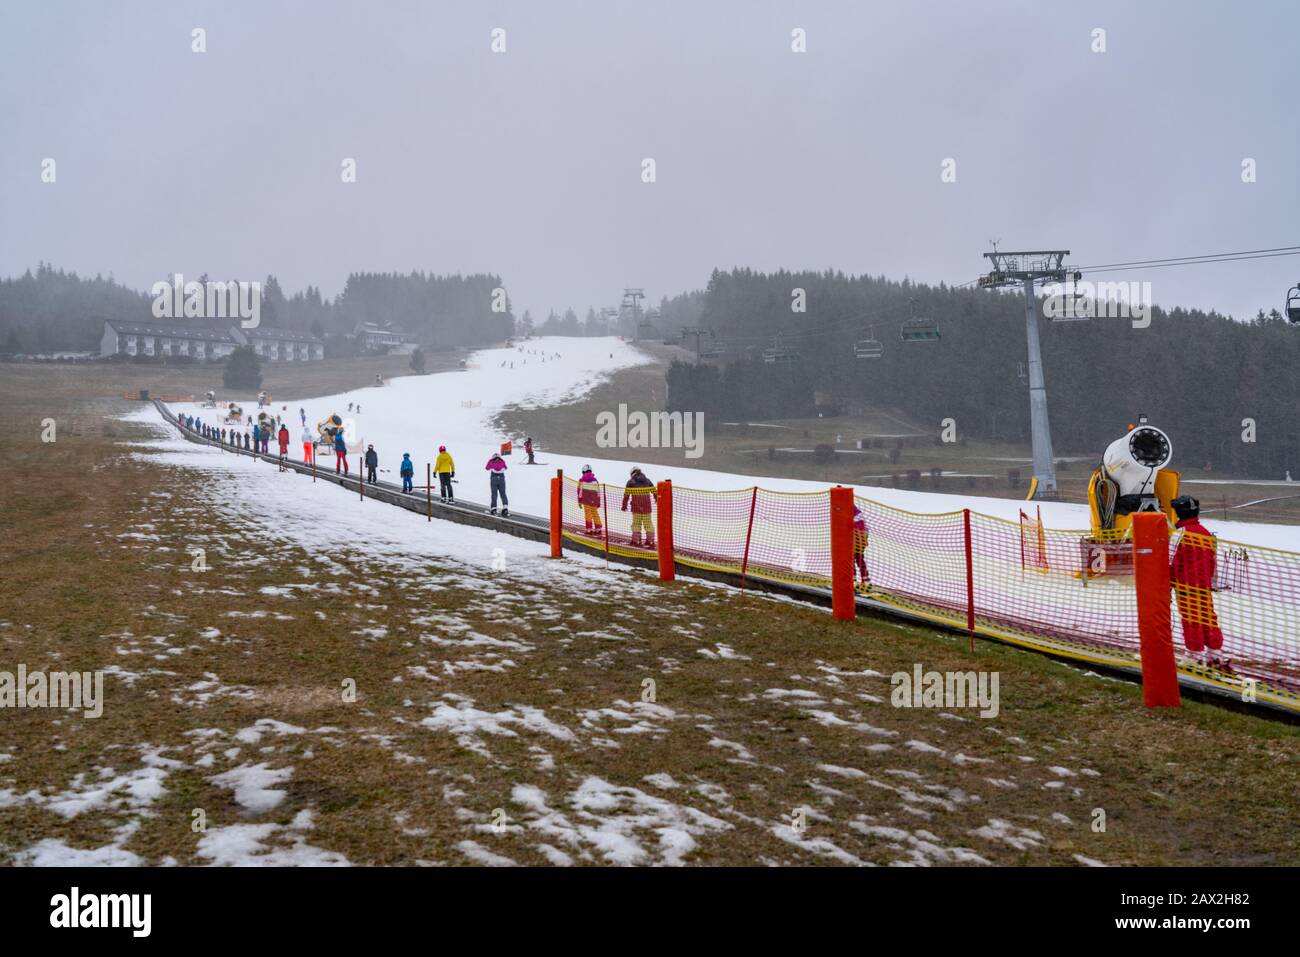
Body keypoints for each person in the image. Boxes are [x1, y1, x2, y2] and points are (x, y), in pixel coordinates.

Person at [1169, 495, 1224, 664]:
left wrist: (1167, 585)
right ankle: (1214, 652)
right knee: (1208, 616)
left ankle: (1194, 654)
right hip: (1204, 585)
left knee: (1191, 619)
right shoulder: (1205, 532)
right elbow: (1212, 560)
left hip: (1185, 586)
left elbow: (1170, 561)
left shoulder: (1179, 534)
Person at [620, 467, 656, 547]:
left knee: (636, 524)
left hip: (636, 507)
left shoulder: (630, 482)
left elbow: (626, 495)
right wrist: (656, 499)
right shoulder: (647, 480)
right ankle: (650, 541)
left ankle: (636, 541)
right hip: (647, 507)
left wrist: (624, 506)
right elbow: (654, 491)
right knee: (648, 523)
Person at [578, 465, 603, 533]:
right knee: (595, 513)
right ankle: (598, 528)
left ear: (583, 471)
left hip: (586, 500)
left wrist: (579, 501)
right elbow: (598, 492)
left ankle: (589, 529)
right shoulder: (595, 480)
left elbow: (580, 491)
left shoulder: (581, 480)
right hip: (594, 500)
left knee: (588, 514)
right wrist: (598, 502)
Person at [853, 505, 871, 590]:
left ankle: (852, 580)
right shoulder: (860, 514)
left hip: (854, 539)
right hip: (862, 539)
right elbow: (866, 528)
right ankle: (866, 580)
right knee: (860, 559)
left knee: (850, 560)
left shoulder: (849, 514)